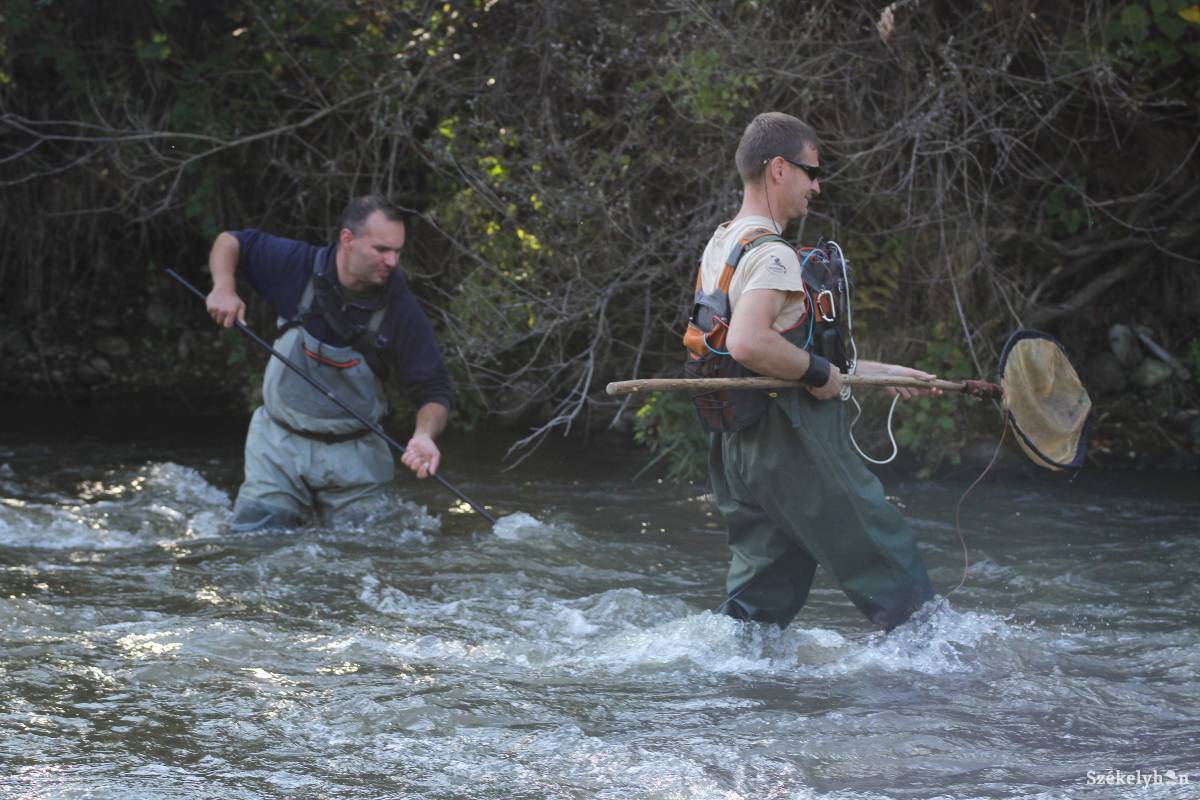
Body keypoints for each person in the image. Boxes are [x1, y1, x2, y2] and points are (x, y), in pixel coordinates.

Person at [694, 112, 937, 631]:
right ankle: (944, 677)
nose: (817, 186)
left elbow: (782, 347)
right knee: (886, 555)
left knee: (757, 607)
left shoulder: (723, 243)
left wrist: (876, 371)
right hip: (793, 441)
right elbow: (750, 342)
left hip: (741, 448)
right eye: (810, 171)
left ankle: (736, 687)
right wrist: (820, 371)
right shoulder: (774, 254)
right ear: (779, 169)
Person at [205, 195, 453, 531]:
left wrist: (424, 434)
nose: (393, 261)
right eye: (382, 250)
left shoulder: (401, 309)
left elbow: (435, 392)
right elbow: (231, 241)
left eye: (398, 251)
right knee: (255, 546)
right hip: (279, 447)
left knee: (367, 555)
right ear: (347, 240)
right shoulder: (297, 264)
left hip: (356, 457)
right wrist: (223, 286)